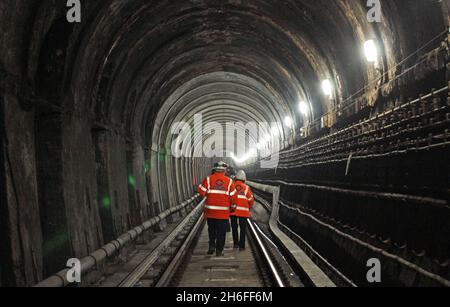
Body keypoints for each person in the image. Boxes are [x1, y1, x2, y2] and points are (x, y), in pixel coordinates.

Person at [198, 161, 237, 257]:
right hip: (223, 213)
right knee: (221, 232)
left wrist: (209, 193)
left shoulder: (208, 179)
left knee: (212, 230)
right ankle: (219, 251)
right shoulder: (229, 182)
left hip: (210, 211)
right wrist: (232, 208)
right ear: (225, 170)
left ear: (214, 169)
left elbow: (201, 192)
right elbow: (233, 197)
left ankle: (211, 246)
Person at [230, 170, 254, 250]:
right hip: (243, 212)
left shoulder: (232, 186)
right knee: (243, 228)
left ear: (236, 178)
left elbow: (228, 197)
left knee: (234, 227)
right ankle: (242, 245)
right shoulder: (246, 188)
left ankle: (235, 243)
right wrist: (249, 207)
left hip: (233, 211)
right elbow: (250, 199)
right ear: (244, 179)